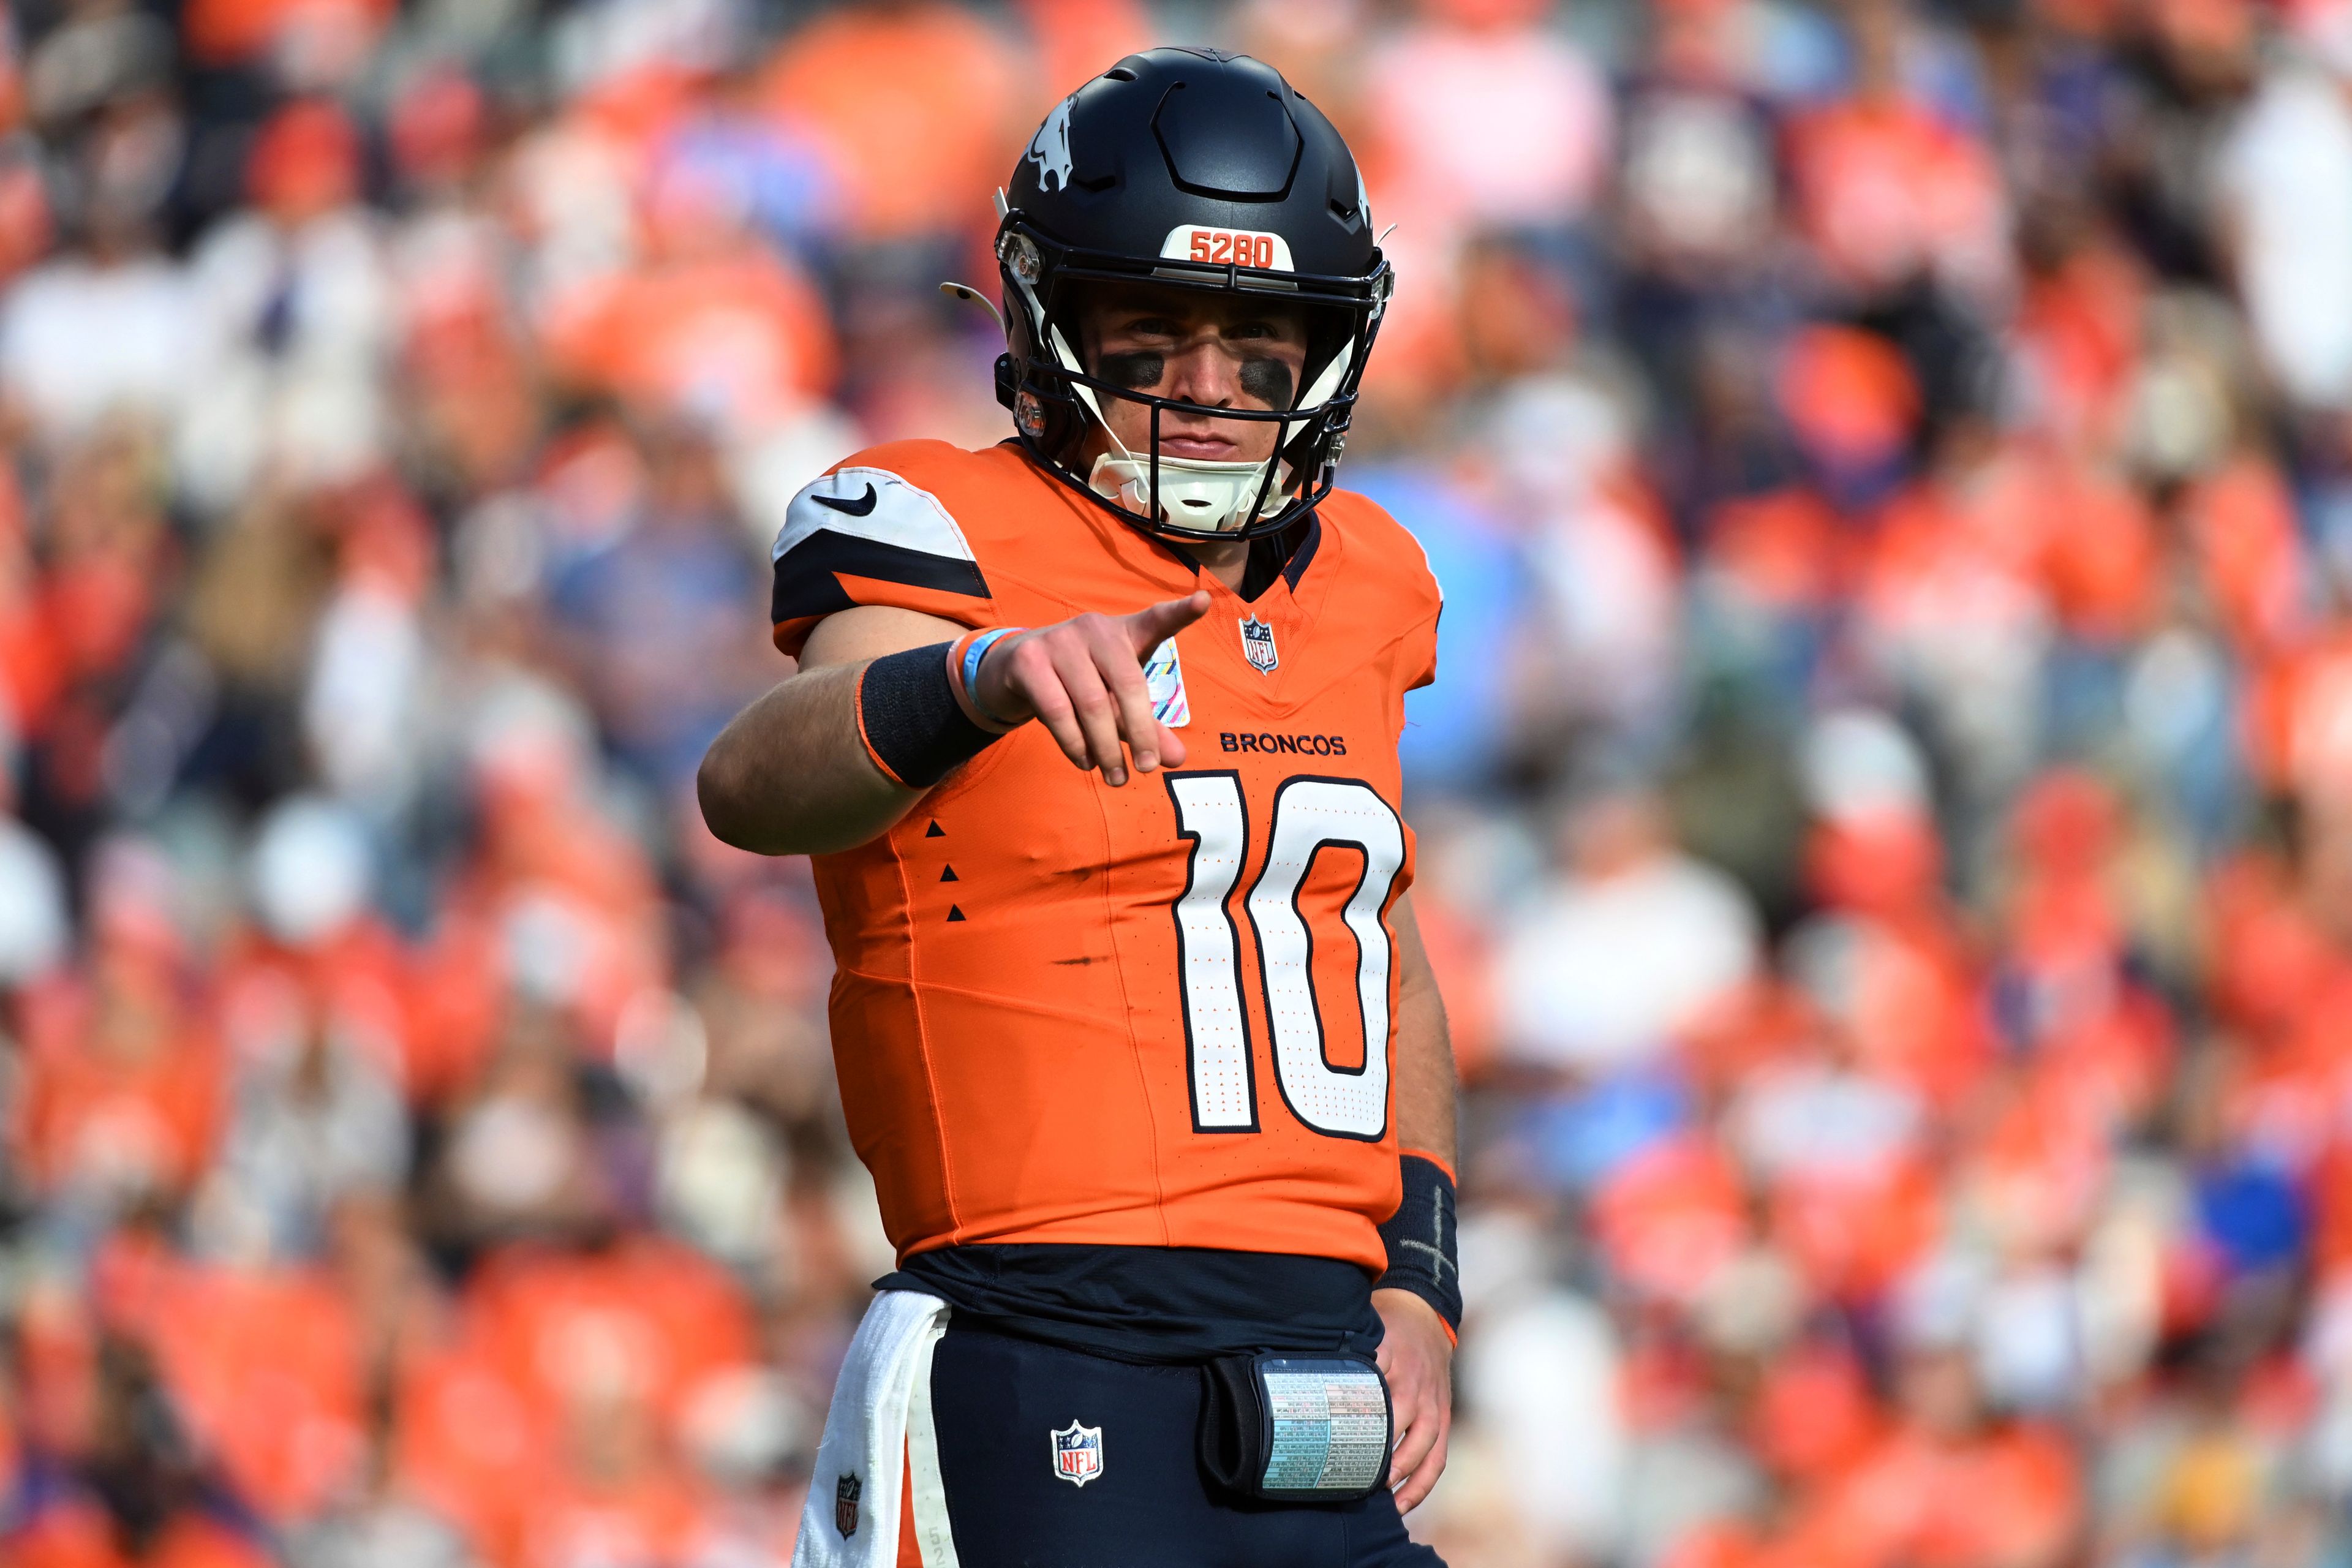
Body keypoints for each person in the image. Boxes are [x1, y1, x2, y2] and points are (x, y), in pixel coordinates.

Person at [699, 47, 1457, 1566]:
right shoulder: (937, 523)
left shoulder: (1367, 579)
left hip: (1314, 1366)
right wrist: (977, 677)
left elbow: (1369, 938)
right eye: (1151, 332)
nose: (1209, 385)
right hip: (1040, 1343)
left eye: (1258, 343)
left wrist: (1421, 1270)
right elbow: (751, 783)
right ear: (1053, 323)